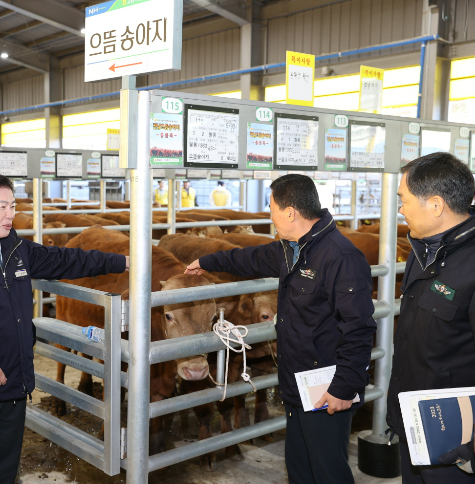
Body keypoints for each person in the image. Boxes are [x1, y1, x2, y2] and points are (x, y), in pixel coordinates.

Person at [0, 173, 129, 484]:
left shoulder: (17, 249)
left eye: (13, 206)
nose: (11, 214)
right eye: (2, 207)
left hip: (16, 382)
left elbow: (67, 260)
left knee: (3, 470)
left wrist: (120, 261)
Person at [185, 174, 376, 484]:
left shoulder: (341, 257)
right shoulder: (292, 249)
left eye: (271, 207)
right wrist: (206, 260)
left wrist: (344, 387)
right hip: (296, 383)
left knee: (328, 472)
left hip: (326, 387)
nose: (269, 215)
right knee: (299, 466)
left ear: (291, 212)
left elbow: (359, 327)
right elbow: (248, 258)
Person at [386, 152, 475, 484]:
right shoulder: (423, 250)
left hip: (457, 439)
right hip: (414, 423)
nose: (401, 209)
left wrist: (471, 445)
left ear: (436, 205)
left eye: (404, 200)